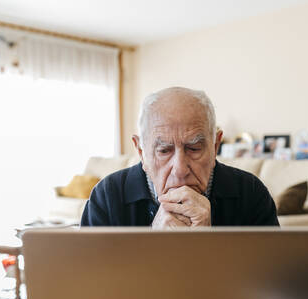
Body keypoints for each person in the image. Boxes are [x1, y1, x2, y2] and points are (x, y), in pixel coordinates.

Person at [81, 87, 279, 228]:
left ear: (215, 145)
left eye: (193, 148)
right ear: (141, 152)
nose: (180, 169)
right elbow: (88, 283)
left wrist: (210, 245)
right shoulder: (107, 196)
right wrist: (152, 243)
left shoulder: (251, 194)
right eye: (164, 151)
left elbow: (274, 281)